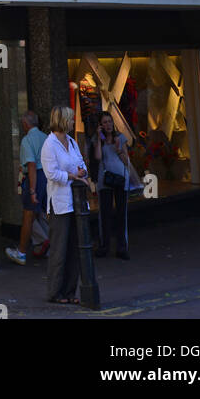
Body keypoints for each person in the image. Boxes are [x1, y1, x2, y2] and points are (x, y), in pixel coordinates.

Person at [41, 104, 94, 304]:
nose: (73, 121)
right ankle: (55, 292)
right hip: (60, 203)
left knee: (74, 248)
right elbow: (51, 174)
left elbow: (82, 165)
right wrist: (73, 175)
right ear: (62, 120)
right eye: (71, 118)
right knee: (59, 249)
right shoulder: (49, 144)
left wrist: (80, 173)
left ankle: (70, 292)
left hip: (76, 203)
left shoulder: (71, 142)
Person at [6, 109, 48, 265]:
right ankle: (45, 242)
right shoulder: (46, 138)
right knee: (41, 214)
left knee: (28, 216)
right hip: (47, 178)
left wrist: (32, 189)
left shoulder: (27, 140)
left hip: (34, 177)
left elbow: (31, 164)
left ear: (25, 124)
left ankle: (22, 252)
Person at [92, 111, 130, 259]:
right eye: (105, 122)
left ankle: (122, 247)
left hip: (120, 177)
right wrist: (100, 140)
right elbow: (98, 157)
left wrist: (118, 148)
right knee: (105, 214)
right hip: (105, 180)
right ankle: (104, 246)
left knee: (121, 213)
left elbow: (126, 160)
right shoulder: (98, 140)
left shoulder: (120, 138)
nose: (108, 125)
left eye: (109, 122)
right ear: (100, 125)